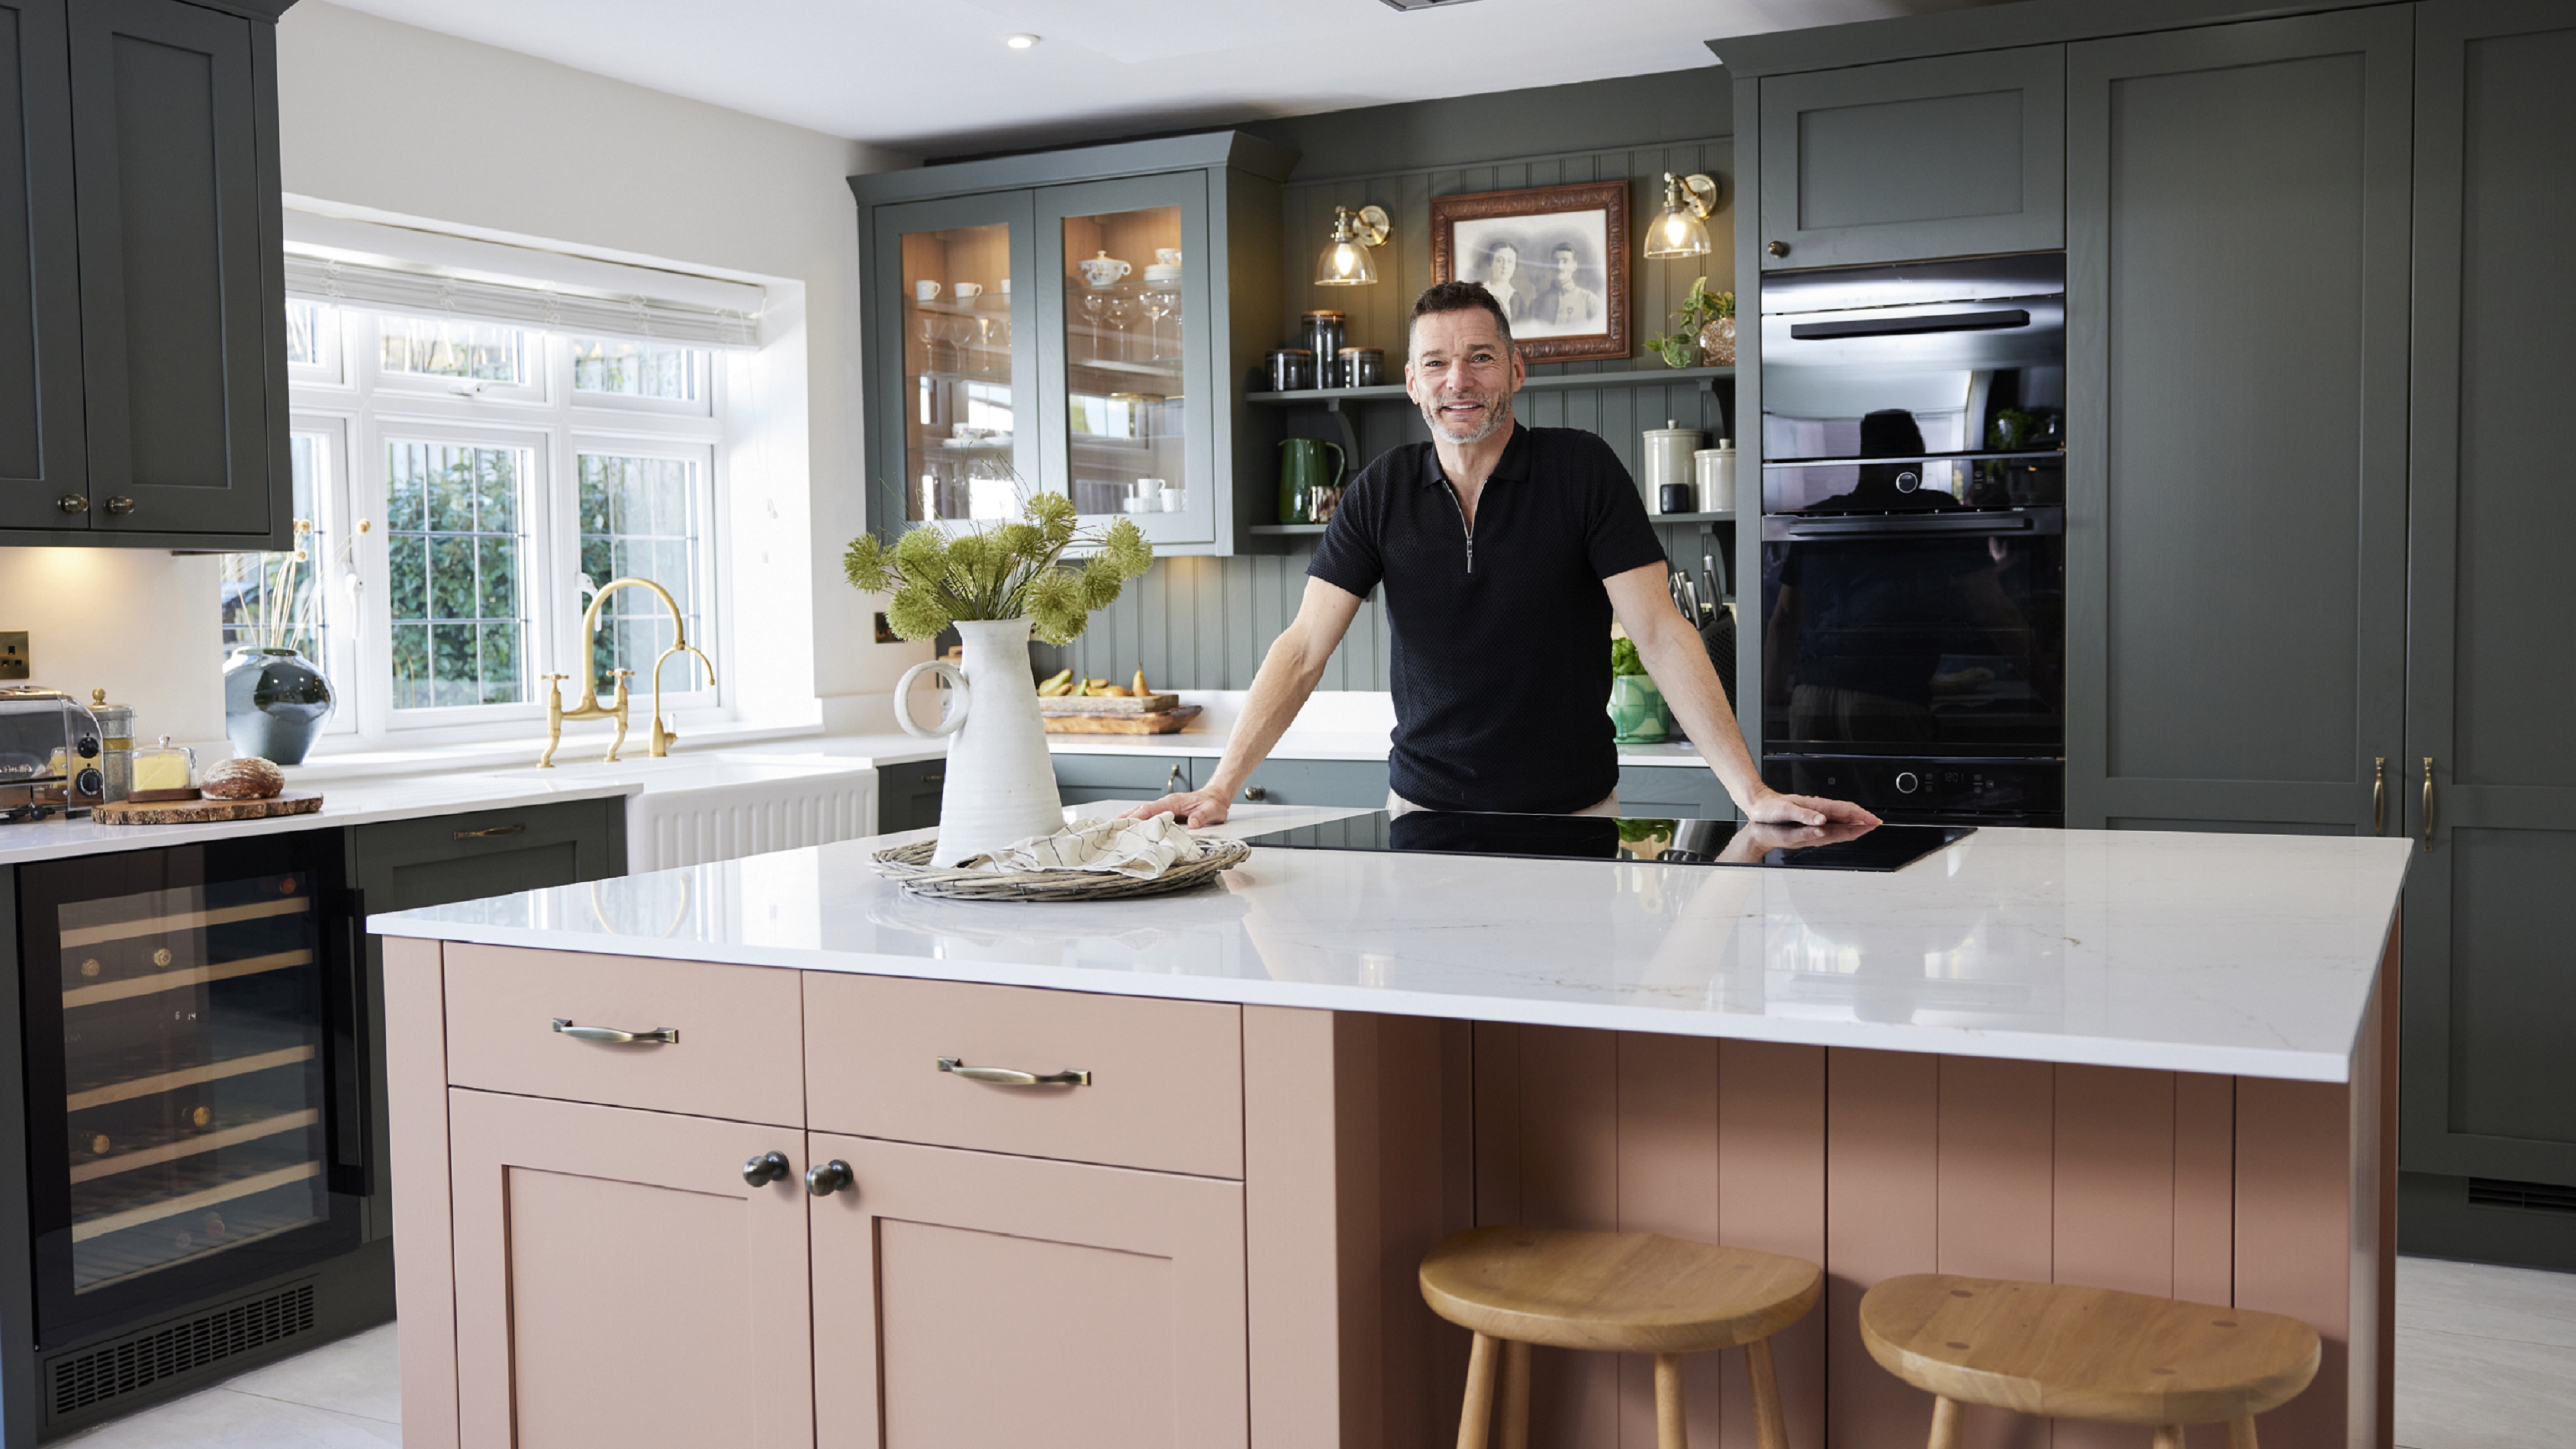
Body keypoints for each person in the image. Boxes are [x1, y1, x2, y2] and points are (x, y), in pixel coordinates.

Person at [1126, 280, 1878, 832]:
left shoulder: (1581, 469)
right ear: (1414, 383)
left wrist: (1750, 791)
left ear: (1515, 371)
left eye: (1481, 358)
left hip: (1574, 812)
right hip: (1424, 811)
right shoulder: (1381, 489)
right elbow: (1303, 648)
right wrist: (1222, 784)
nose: (1461, 380)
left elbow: (1660, 632)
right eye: (1439, 363)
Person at [1528, 243, 1605, 329]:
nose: (1560, 267)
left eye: (1565, 261)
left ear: (1574, 266)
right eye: (1556, 262)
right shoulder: (1538, 302)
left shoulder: (1590, 300)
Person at [1477, 242, 1535, 323]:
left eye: (1510, 261)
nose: (1505, 266)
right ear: (1491, 264)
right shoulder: (1480, 295)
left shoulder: (1517, 297)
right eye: (1499, 261)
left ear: (1515, 267)